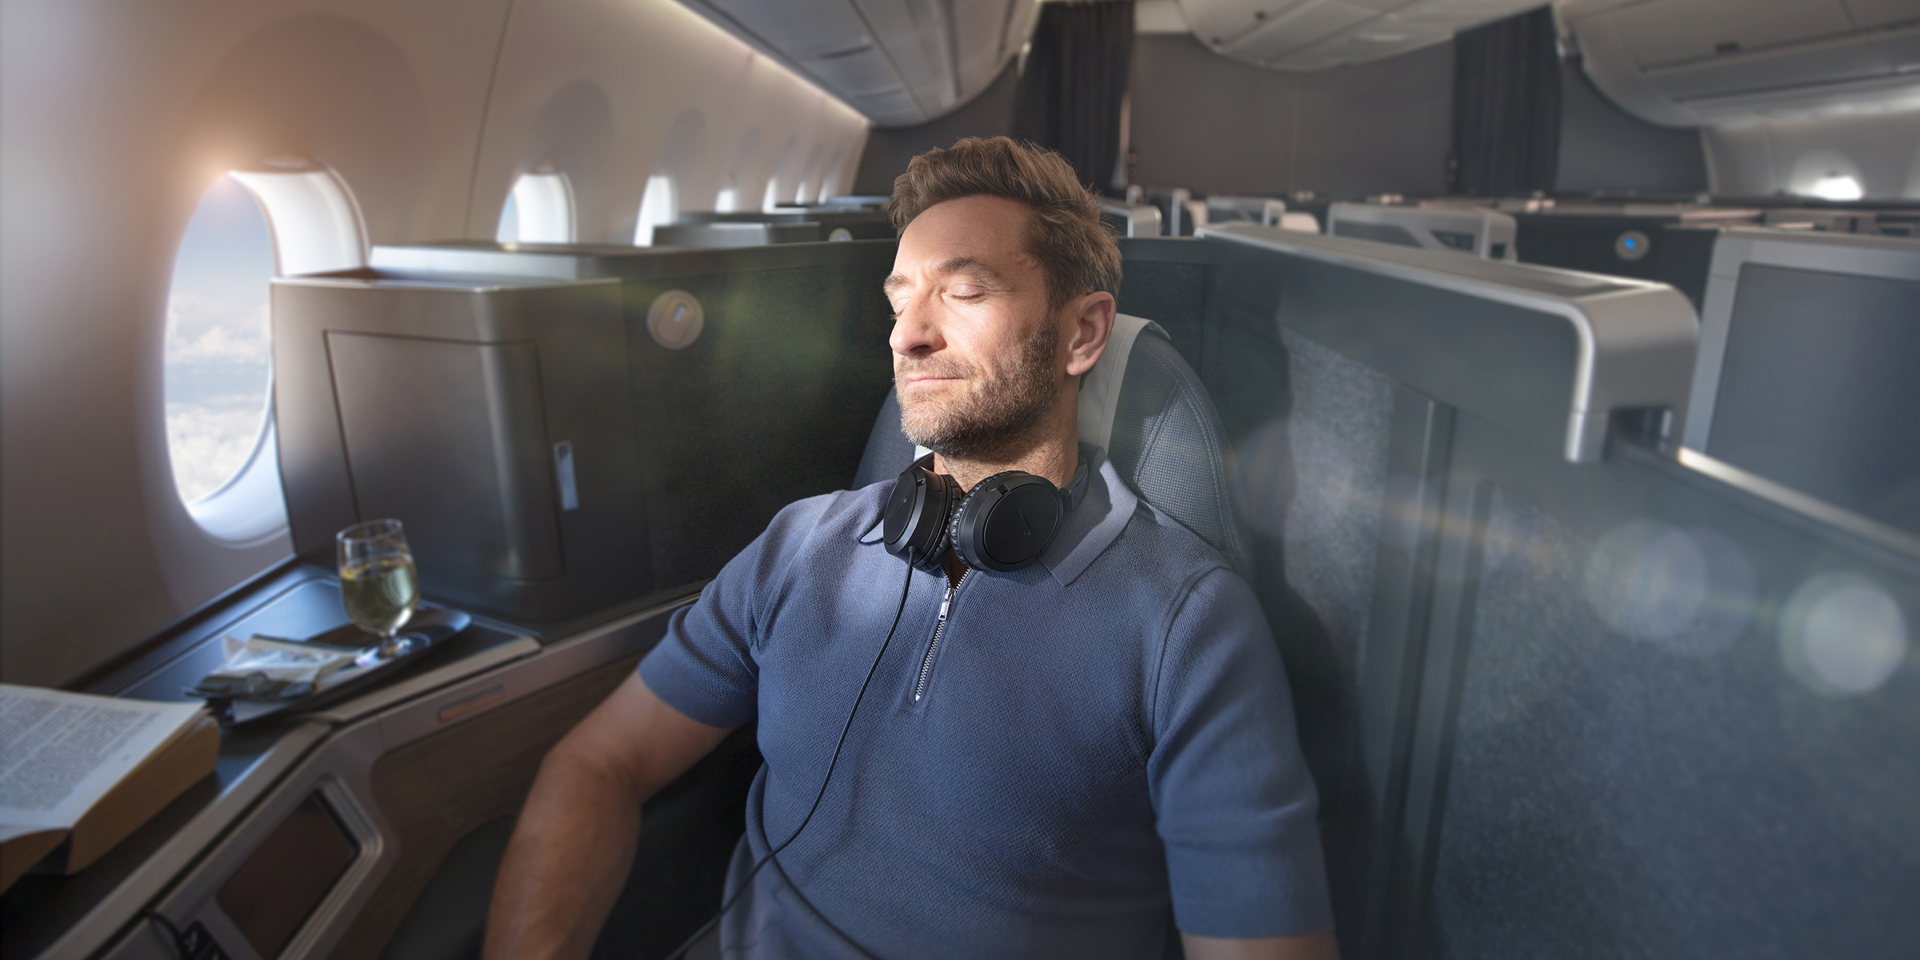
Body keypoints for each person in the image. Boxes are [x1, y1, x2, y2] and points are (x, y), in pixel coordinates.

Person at [484, 137, 1337, 960]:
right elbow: (599, 762)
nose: (906, 336)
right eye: (900, 301)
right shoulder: (801, 545)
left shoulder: (1186, 625)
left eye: (962, 293)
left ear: (1083, 335)